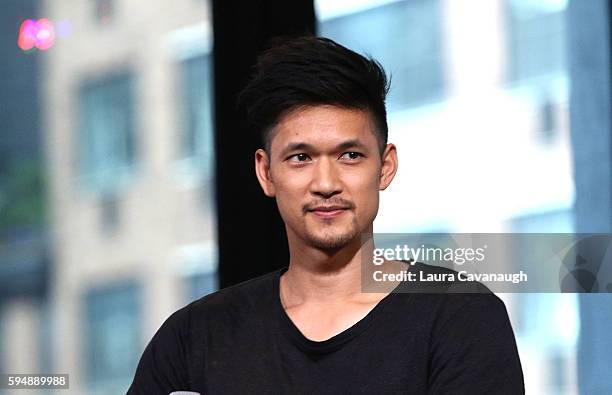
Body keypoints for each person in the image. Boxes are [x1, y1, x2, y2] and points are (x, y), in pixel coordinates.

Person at [127, 36, 524, 394]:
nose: (326, 183)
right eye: (300, 158)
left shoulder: (459, 317)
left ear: (385, 167)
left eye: (350, 155)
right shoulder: (196, 337)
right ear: (266, 172)